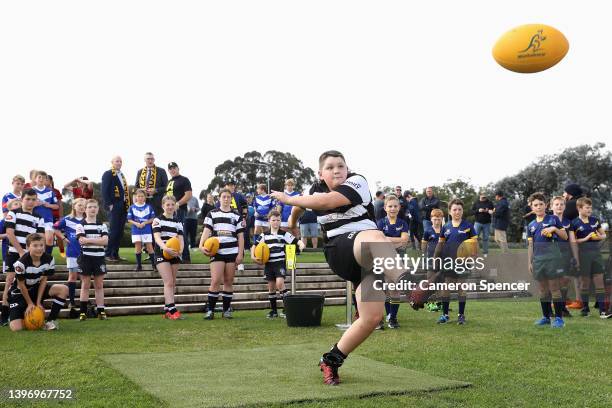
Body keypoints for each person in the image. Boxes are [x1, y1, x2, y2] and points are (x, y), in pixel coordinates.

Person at [271, 150, 408, 386]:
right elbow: (302, 206)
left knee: (372, 317)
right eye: (331, 167)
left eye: (341, 166)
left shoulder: (357, 181)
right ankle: (410, 285)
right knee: (376, 236)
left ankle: (331, 360)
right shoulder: (314, 190)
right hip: (340, 250)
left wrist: (289, 198)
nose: (337, 170)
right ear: (320, 173)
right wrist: (292, 224)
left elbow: (327, 202)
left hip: (369, 258)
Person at [0, 189, 45, 326]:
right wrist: (21, 251)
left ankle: (29, 313)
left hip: (31, 255)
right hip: (14, 253)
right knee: (10, 281)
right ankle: (4, 313)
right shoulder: (13, 213)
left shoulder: (39, 217)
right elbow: (9, 233)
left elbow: (41, 237)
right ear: (22, 199)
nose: (30, 202)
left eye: (33, 199)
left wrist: (35, 252)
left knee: (27, 282)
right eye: (28, 199)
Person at [199, 188, 245, 320]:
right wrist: (201, 245)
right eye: (223, 197)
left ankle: (226, 310)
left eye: (228, 197)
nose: (226, 199)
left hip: (231, 252)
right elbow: (206, 231)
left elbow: (240, 237)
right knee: (215, 280)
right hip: (217, 252)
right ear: (219, 199)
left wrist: (240, 254)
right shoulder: (212, 213)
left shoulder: (236, 215)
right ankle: (210, 310)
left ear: (231, 199)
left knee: (228, 281)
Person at [8, 233, 68, 331]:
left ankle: (50, 321)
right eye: (35, 245)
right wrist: (30, 303)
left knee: (63, 289)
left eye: (41, 245)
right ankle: (18, 314)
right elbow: (21, 285)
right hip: (19, 293)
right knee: (17, 328)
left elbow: (44, 280)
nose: (39, 248)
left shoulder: (49, 259)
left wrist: (38, 302)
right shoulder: (21, 263)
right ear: (28, 247)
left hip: (35, 288)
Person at [251, 210, 304, 318]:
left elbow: (296, 242)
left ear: (280, 221)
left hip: (280, 263)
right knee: (271, 288)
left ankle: (287, 308)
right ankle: (274, 311)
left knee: (280, 283)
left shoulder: (284, 234)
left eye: (278, 220)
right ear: (269, 221)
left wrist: (301, 244)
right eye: (273, 220)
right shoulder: (264, 235)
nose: (276, 222)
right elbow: (254, 246)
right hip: (269, 264)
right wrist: (253, 256)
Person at [526, 193, 568, 328]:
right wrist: (529, 262)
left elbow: (565, 236)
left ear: (546, 205)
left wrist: (554, 228)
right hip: (538, 261)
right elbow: (530, 246)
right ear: (532, 207)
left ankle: (559, 318)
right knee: (542, 290)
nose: (538, 207)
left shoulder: (553, 219)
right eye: (535, 205)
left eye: (541, 204)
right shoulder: (531, 225)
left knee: (554, 288)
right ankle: (545, 317)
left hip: (553, 259)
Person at [433, 199, 478, 325]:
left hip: (463, 262)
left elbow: (474, 245)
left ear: (462, 211)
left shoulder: (468, 226)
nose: (457, 212)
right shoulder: (446, 227)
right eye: (454, 209)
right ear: (450, 212)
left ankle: (461, 315)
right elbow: (440, 244)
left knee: (461, 287)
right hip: (448, 261)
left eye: (459, 209)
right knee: (446, 287)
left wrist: (472, 257)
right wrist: (435, 258)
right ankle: (445, 315)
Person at [569, 197, 609, 318]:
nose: (589, 210)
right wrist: (586, 238)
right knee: (584, 283)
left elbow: (603, 235)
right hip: (583, 255)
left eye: (590, 207)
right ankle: (585, 309)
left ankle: (602, 310)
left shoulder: (595, 220)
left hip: (596, 255)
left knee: (599, 282)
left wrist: (599, 237)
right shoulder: (574, 223)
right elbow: (573, 241)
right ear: (579, 208)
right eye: (587, 207)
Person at [376, 195, 409, 329]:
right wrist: (397, 241)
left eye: (395, 206)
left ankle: (393, 318)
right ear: (385, 208)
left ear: (399, 207)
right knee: (384, 290)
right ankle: (387, 315)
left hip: (398, 260)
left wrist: (387, 240)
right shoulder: (380, 223)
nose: (393, 208)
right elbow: (378, 241)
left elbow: (405, 240)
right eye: (390, 206)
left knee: (395, 289)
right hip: (383, 258)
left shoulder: (403, 223)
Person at [76, 199, 109, 321]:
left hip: (99, 258)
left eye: (94, 207)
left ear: (98, 209)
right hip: (86, 258)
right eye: (89, 207)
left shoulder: (102, 225)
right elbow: (81, 241)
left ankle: (101, 311)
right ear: (85, 209)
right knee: (85, 285)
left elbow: (105, 241)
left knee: (99, 285)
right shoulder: (80, 225)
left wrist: (88, 240)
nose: (92, 209)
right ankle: (83, 312)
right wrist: (98, 240)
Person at [152, 195, 185, 320]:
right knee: (168, 282)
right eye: (167, 205)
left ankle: (167, 309)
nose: (170, 207)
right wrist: (165, 248)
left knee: (172, 282)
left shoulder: (178, 222)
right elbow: (157, 237)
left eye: (172, 204)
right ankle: (172, 310)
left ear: (175, 205)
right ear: (163, 206)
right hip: (162, 253)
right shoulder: (158, 220)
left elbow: (181, 239)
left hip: (175, 254)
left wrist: (180, 250)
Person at [54, 198, 86, 316]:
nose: (82, 207)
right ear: (74, 206)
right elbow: (55, 228)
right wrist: (63, 238)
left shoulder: (87, 220)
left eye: (84, 205)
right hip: (72, 252)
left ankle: (84, 303)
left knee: (84, 278)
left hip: (86, 253)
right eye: (79, 205)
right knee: (72, 276)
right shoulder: (67, 219)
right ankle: (71, 302)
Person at [101, 156, 130, 262]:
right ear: (112, 162)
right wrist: (109, 204)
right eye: (117, 161)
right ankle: (107, 254)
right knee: (113, 231)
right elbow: (104, 190)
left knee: (120, 231)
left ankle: (115, 254)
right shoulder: (108, 173)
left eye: (120, 161)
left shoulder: (121, 175)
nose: (119, 163)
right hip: (114, 205)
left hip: (123, 205)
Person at [550, 196, 574, 317]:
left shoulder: (568, 222)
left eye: (561, 204)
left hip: (566, 254)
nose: (559, 206)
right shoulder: (547, 220)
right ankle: (550, 309)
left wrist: (574, 256)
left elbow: (572, 241)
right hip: (551, 255)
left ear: (565, 206)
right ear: (551, 206)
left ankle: (563, 307)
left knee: (565, 280)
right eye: (556, 204)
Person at [166, 162, 193, 262]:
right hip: (169, 212)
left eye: (174, 168)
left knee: (181, 233)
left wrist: (177, 204)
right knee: (171, 233)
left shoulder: (184, 180)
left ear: (178, 168)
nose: (172, 170)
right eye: (170, 169)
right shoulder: (169, 182)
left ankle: (186, 257)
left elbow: (188, 195)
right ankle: (174, 255)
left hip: (180, 210)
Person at [421, 208, 444, 312]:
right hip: (430, 260)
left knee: (441, 283)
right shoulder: (428, 231)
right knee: (430, 282)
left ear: (442, 219)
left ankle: (440, 304)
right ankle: (429, 304)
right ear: (431, 219)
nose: (437, 221)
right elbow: (424, 245)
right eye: (435, 219)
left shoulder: (445, 230)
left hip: (442, 261)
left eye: (439, 219)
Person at [127, 189, 156, 271]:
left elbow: (152, 218)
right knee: (138, 247)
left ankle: (154, 265)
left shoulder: (148, 207)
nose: (140, 198)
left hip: (146, 229)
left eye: (142, 196)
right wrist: (136, 224)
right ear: (136, 197)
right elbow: (129, 219)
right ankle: (139, 266)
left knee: (149, 247)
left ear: (145, 197)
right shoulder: (132, 207)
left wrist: (145, 223)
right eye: (138, 196)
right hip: (136, 230)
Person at [32, 171, 59, 253]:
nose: (41, 179)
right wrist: (34, 204)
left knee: (49, 239)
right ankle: (38, 261)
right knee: (38, 241)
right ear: (35, 179)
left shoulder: (50, 192)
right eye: (39, 177)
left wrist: (48, 205)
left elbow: (57, 206)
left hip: (48, 219)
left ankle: (47, 260)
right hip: (34, 219)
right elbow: (24, 205)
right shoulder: (31, 191)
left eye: (43, 178)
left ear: (46, 180)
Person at [46, 175, 64, 256]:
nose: (44, 181)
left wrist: (61, 216)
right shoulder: (41, 191)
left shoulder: (56, 191)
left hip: (56, 216)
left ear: (50, 181)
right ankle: (48, 253)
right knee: (49, 236)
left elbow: (60, 204)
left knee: (59, 234)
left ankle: (62, 252)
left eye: (47, 179)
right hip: (46, 217)